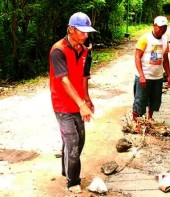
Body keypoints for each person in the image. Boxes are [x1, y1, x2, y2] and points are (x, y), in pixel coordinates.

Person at [49, 12, 96, 193]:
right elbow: (64, 80)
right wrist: (81, 104)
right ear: (71, 29)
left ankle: (66, 169)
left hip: (78, 103)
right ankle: (73, 180)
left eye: (87, 32)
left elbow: (84, 76)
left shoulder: (84, 51)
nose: (85, 35)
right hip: (62, 105)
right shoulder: (58, 51)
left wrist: (87, 99)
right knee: (73, 142)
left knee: (79, 141)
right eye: (82, 32)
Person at [132, 16, 170, 123]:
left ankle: (149, 118)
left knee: (155, 100)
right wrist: (141, 75)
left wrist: (168, 75)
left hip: (157, 76)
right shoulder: (145, 39)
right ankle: (135, 120)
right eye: (160, 27)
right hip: (144, 75)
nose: (162, 30)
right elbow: (137, 57)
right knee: (140, 100)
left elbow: (165, 59)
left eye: (164, 27)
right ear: (154, 26)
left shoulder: (165, 41)